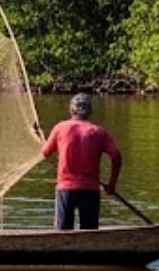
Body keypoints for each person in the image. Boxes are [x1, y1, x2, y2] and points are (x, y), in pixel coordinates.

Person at [41, 93, 122, 230]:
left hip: (66, 189)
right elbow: (116, 156)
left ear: (71, 110)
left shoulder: (60, 128)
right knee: (89, 234)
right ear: (89, 111)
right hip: (90, 189)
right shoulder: (99, 132)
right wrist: (111, 184)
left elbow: (45, 153)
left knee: (62, 233)